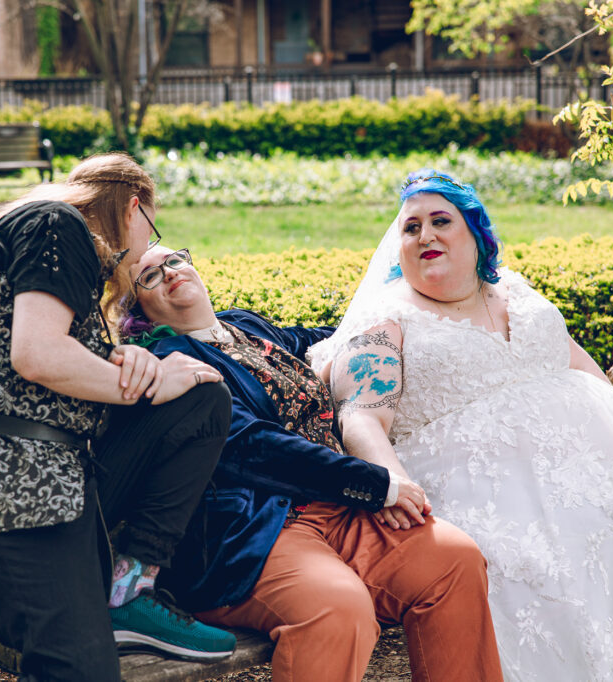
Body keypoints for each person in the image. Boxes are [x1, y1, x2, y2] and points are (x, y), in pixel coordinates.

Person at [308, 168, 613, 680]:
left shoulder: (513, 289)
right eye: (411, 228)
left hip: (611, 486)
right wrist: (391, 479)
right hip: (487, 496)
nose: (426, 235)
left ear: (476, 233)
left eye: (441, 220)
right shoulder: (386, 320)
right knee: (548, 572)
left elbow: (572, 362)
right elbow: (362, 418)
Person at [0, 154, 236, 682]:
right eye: (151, 231)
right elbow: (37, 355)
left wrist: (133, 364)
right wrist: (152, 382)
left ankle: (128, 588)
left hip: (52, 477)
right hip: (4, 484)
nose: (142, 252)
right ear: (134, 208)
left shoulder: (57, 241)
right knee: (79, 671)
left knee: (200, 398)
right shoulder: (58, 223)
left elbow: (45, 367)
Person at [121, 246, 504, 682]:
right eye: (148, 277)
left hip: (340, 511)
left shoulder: (243, 326)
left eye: (174, 260)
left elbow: (328, 338)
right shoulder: (171, 360)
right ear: (140, 308)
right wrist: (373, 482)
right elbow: (250, 446)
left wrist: (402, 312)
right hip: (260, 530)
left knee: (454, 561)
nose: (169, 273)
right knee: (338, 607)